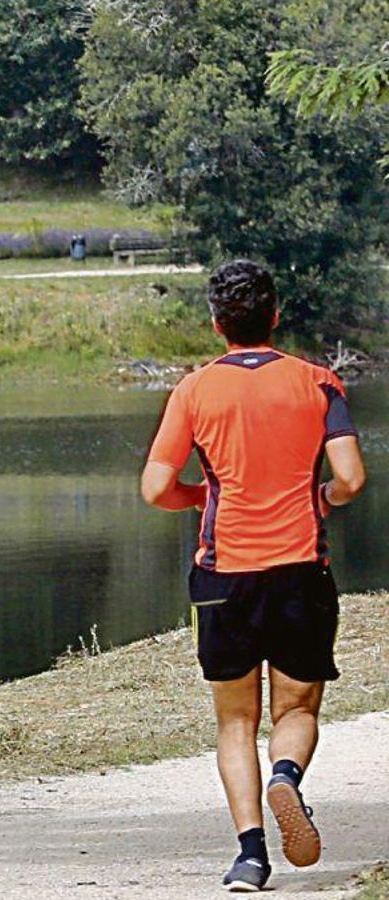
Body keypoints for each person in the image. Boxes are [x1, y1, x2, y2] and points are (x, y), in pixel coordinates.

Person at [140, 259, 367, 893]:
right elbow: (350, 480)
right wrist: (318, 497)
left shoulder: (193, 390)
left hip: (222, 576)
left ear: (217, 324)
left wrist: (204, 499)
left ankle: (249, 857)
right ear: (274, 315)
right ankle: (285, 778)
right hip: (300, 570)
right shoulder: (319, 383)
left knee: (234, 721)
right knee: (296, 708)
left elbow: (156, 488)